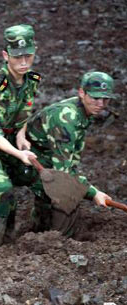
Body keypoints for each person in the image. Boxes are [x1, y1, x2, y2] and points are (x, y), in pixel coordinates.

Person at [0, 24, 41, 247]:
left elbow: (24, 113)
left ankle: (16, 239)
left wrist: (22, 135)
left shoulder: (31, 80)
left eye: (28, 56)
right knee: (2, 189)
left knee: (41, 178)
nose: (23, 62)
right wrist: (17, 153)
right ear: (5, 55)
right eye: (17, 57)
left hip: (11, 142)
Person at [25, 71, 114, 235]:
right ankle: (58, 241)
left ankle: (39, 230)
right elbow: (63, 173)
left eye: (105, 99)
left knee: (59, 190)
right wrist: (94, 193)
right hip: (24, 157)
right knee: (67, 195)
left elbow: (71, 158)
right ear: (82, 93)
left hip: (43, 154)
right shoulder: (67, 118)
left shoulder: (85, 111)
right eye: (95, 98)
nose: (100, 104)